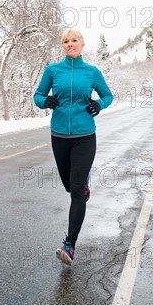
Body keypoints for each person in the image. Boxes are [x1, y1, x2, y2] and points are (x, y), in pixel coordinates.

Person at [33, 28, 113, 265]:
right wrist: (45, 101)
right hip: (59, 136)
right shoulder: (52, 70)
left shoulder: (92, 72)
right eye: (66, 41)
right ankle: (82, 184)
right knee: (70, 185)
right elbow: (37, 95)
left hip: (85, 136)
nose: (70, 44)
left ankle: (69, 244)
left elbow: (108, 96)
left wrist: (99, 105)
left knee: (76, 190)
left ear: (82, 44)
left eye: (74, 40)